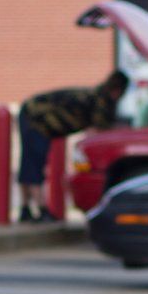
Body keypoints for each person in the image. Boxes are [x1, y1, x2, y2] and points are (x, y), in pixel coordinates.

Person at [16, 70, 128, 223]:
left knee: (29, 160)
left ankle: (26, 210)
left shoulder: (97, 96)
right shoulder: (101, 101)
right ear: (118, 91)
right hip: (36, 118)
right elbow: (101, 129)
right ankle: (41, 210)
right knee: (34, 161)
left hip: (34, 114)